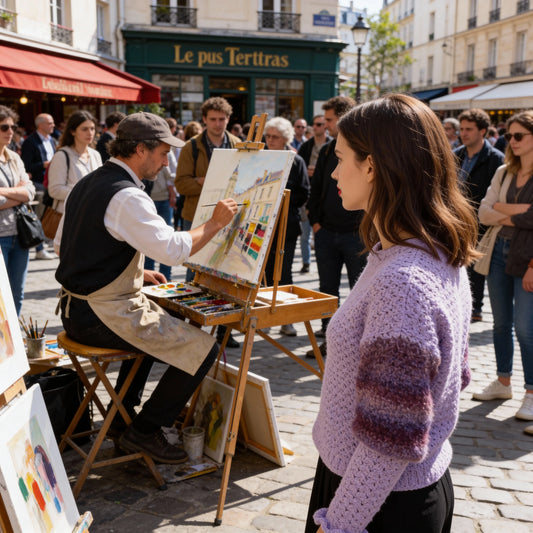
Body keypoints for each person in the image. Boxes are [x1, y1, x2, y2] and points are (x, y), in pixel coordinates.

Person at [305, 93, 478, 533]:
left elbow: (390, 439)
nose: (333, 171)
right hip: (400, 485)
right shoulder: (427, 251)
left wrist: (340, 522)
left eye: (341, 158)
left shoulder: (403, 280)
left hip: (376, 499)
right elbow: (453, 378)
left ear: (373, 166)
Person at [54, 112, 239, 463]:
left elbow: (63, 247)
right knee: (204, 349)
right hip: (98, 315)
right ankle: (144, 430)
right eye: (162, 152)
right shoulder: (127, 197)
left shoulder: (89, 182)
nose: (166, 160)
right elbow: (172, 250)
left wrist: (130, 274)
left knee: (160, 320)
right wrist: (214, 224)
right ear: (140, 149)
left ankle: (122, 415)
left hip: (75, 309)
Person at [471, 111, 533, 427]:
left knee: (526, 328)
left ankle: (532, 393)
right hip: (497, 252)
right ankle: (502, 382)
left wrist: (502, 211)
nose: (512, 141)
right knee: (500, 324)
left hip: (529, 257)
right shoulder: (503, 171)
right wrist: (522, 213)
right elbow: (483, 212)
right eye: (509, 136)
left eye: (519, 135)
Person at [176, 97, 241, 348]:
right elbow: (181, 183)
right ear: (204, 119)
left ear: (228, 119)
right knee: (196, 276)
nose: (217, 124)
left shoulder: (238, 144)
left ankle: (225, 330)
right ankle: (195, 329)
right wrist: (204, 181)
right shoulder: (191, 147)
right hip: (198, 217)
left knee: (226, 276)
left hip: (228, 219)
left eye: (222, 119)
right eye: (212, 119)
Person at [307, 96, 366, 356]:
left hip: (356, 235)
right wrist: (316, 223)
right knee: (327, 290)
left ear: (343, 118)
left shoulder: (361, 149)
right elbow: (316, 187)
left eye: (329, 120)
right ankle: (330, 340)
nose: (325, 124)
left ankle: (358, 344)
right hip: (327, 233)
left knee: (359, 291)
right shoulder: (328, 151)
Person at [454, 109, 504, 322]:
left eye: (469, 129)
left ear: (482, 131)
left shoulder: (495, 159)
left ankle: (475, 308)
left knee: (477, 270)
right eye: (461, 129)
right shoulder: (456, 154)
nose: (463, 133)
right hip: (457, 221)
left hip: (481, 223)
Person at [263, 117, 310, 336]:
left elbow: (303, 192)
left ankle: (286, 319)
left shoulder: (295, 161)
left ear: (285, 139)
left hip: (286, 226)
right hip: (261, 224)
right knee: (262, 273)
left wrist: (281, 198)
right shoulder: (259, 156)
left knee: (283, 273)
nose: (270, 140)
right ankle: (263, 317)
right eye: (268, 136)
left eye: (275, 137)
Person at [0, 106, 36, 316]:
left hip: (20, 235)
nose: (10, 131)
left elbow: (30, 192)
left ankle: (13, 344)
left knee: (16, 294)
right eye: (4, 127)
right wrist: (18, 193)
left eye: (13, 126)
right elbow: (23, 192)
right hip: (1, 236)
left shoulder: (13, 156)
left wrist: (4, 191)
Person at [47, 110, 103, 216]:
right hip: (68, 216)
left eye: (92, 128)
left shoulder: (95, 155)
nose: (90, 133)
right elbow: (54, 190)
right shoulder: (62, 155)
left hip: (92, 214)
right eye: (84, 129)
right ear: (73, 131)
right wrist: (85, 192)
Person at [298, 115, 332, 273]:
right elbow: (299, 168)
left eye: (320, 124)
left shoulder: (332, 145)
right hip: (308, 196)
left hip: (324, 197)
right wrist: (307, 172)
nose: (317, 127)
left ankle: (322, 263)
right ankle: (306, 262)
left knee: (321, 236)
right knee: (305, 234)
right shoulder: (306, 146)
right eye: (315, 124)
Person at [20, 113, 56, 260]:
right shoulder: (30, 142)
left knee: (49, 214)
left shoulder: (52, 140)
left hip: (51, 182)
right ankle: (40, 248)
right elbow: (26, 166)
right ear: (40, 125)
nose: (53, 125)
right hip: (38, 184)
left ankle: (49, 241)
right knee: (38, 216)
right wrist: (43, 164)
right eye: (50, 123)